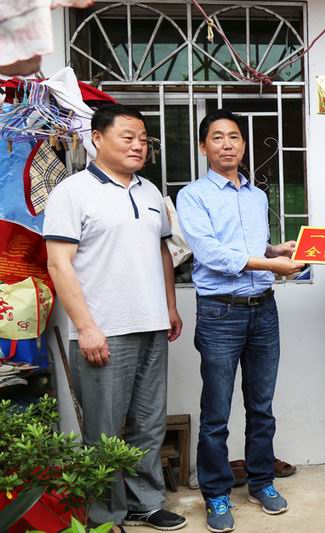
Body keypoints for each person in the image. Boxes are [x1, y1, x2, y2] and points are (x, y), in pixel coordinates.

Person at [44, 104, 187, 532]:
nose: (138, 145)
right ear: (97, 138)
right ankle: (105, 516)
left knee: (148, 422)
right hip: (104, 330)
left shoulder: (149, 192)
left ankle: (146, 502)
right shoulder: (72, 192)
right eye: (128, 137)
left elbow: (163, 253)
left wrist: (170, 307)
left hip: (152, 326)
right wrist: (86, 328)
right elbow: (59, 264)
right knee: (104, 428)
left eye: (143, 139)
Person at [176, 109, 304, 533]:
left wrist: (276, 251)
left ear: (244, 145)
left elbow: (250, 247)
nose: (227, 144)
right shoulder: (192, 196)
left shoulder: (256, 195)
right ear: (203, 146)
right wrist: (269, 264)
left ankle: (262, 482)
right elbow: (211, 254)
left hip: (263, 309)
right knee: (216, 412)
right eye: (217, 137)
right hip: (220, 312)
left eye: (234, 136)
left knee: (261, 407)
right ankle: (216, 493)